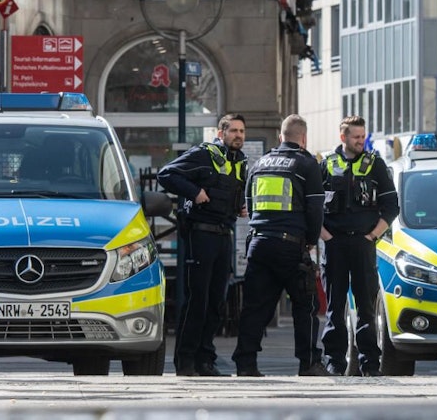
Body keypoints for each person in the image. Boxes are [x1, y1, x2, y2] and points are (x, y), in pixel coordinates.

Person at [231, 114, 333, 377]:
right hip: (290, 245)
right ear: (304, 138)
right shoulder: (306, 164)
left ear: (280, 137)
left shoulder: (260, 163)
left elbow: (250, 205)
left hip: (259, 243)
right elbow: (315, 210)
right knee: (305, 305)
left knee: (255, 307)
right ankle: (308, 363)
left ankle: (246, 363)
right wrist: (309, 241)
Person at [157, 114, 248, 377]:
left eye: (242, 131)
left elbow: (229, 192)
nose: (238, 135)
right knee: (197, 300)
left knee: (216, 301)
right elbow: (166, 174)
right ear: (221, 133)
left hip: (224, 235)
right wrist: (194, 192)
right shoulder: (204, 154)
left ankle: (205, 360)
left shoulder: (239, 162)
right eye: (233, 130)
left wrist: (239, 206)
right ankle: (186, 361)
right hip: (201, 235)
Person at [319, 116, 399, 376]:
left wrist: (372, 236)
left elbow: (391, 207)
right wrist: (325, 236)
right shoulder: (327, 164)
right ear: (343, 137)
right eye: (356, 137)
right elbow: (312, 206)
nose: (360, 141)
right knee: (335, 306)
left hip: (364, 243)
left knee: (366, 306)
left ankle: (369, 363)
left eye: (363, 136)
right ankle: (334, 362)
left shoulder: (375, 164)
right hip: (335, 244)